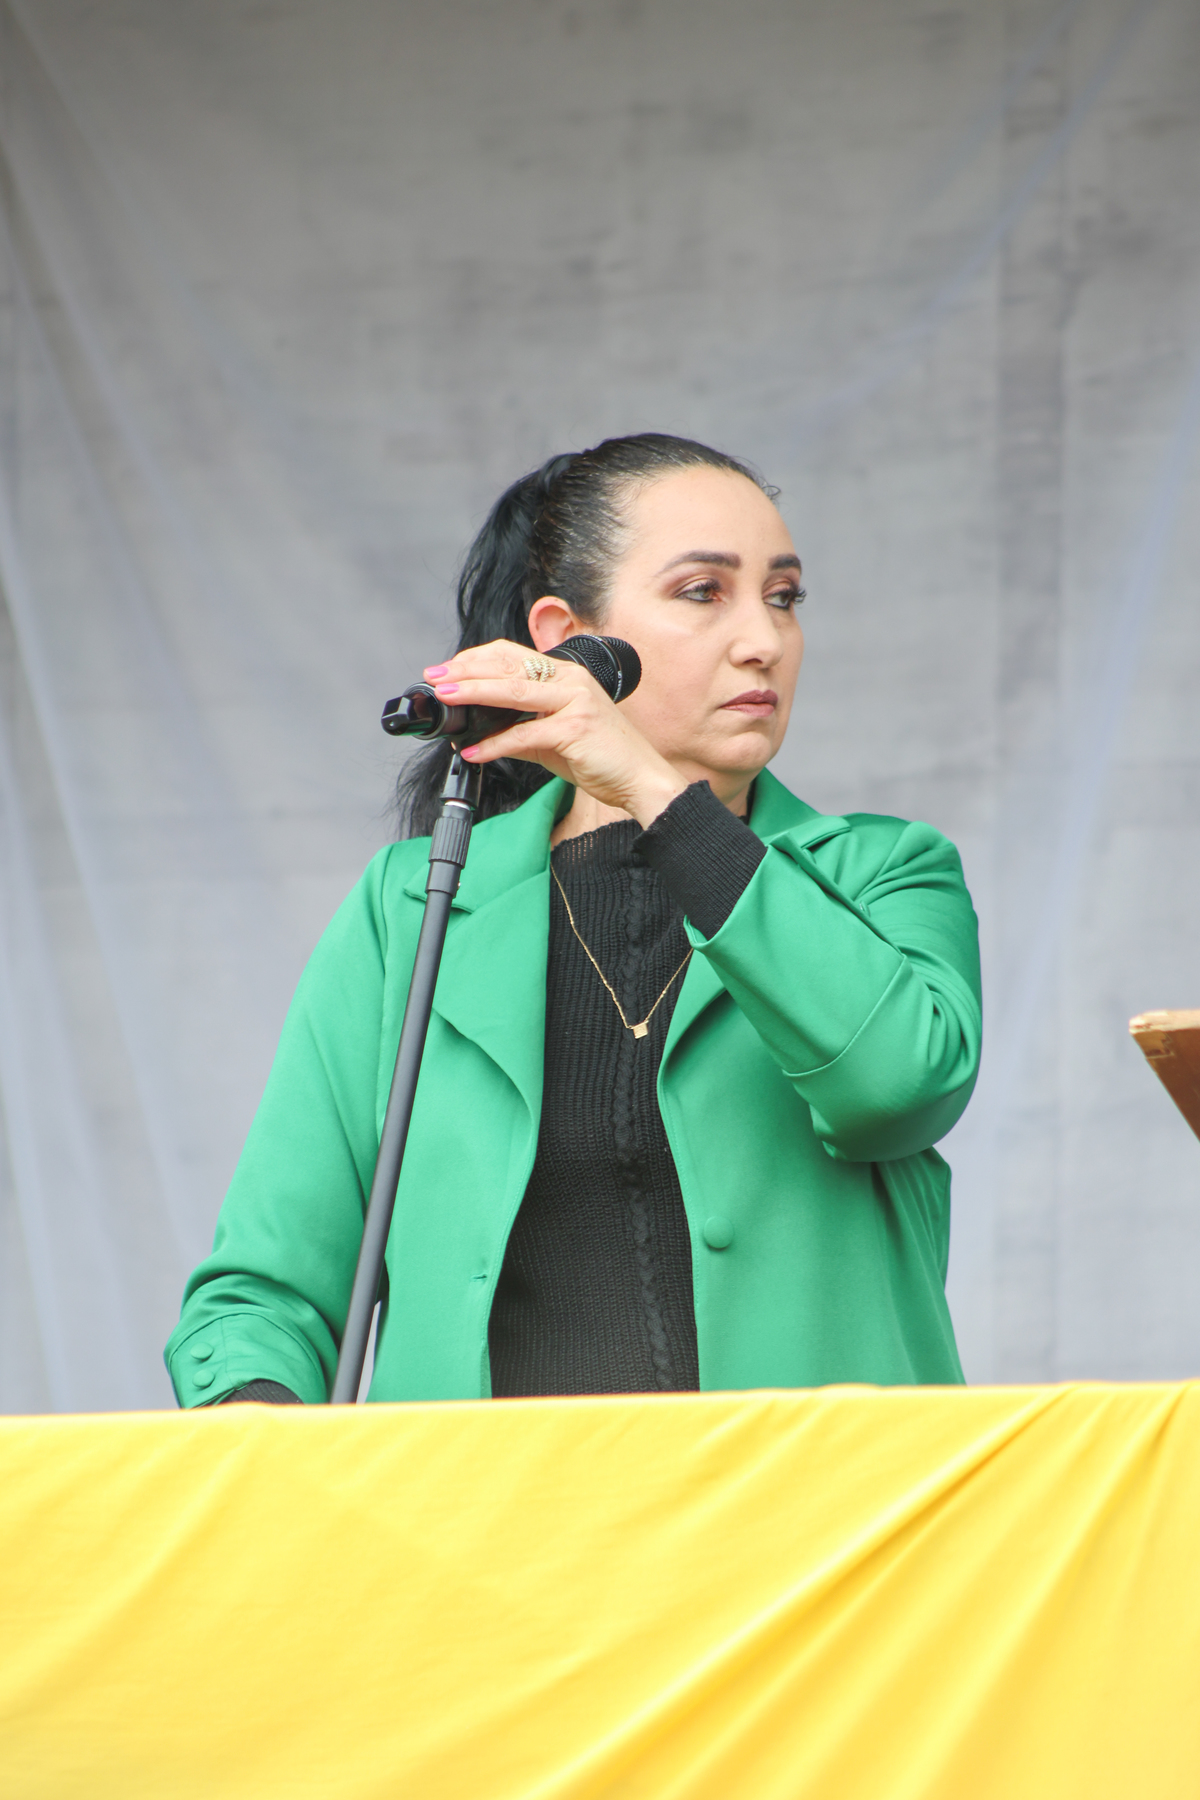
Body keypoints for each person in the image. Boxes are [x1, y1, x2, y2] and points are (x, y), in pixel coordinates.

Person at [165, 432, 981, 1408]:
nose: (763, 638)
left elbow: (896, 1087)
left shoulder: (885, 873)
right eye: (703, 592)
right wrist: (263, 1428)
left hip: (811, 1504)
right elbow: (265, 1296)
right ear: (563, 637)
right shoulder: (412, 908)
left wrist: (652, 788)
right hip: (487, 1508)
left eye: (784, 596)